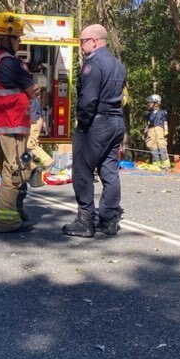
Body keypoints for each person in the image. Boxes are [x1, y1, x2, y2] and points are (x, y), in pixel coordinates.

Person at [0, 12, 39, 233]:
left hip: (1, 125)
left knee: (11, 168)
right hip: (11, 125)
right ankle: (8, 221)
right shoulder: (9, 63)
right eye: (17, 38)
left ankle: (15, 213)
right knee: (14, 172)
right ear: (6, 38)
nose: (19, 42)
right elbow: (33, 90)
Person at [62, 23, 126, 238]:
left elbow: (88, 98)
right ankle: (108, 219)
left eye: (82, 41)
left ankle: (85, 220)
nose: (81, 46)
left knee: (82, 170)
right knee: (109, 170)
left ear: (94, 41)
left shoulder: (94, 64)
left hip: (96, 123)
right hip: (116, 122)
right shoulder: (118, 64)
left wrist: (82, 123)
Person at [144, 94, 170, 168]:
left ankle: (165, 165)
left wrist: (166, 130)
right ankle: (156, 164)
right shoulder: (149, 113)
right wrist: (146, 130)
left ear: (156, 103)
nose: (149, 104)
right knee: (152, 146)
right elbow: (148, 123)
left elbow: (165, 121)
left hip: (159, 129)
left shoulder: (162, 112)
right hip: (151, 130)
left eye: (150, 102)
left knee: (161, 145)